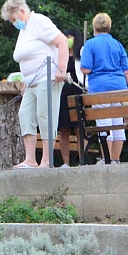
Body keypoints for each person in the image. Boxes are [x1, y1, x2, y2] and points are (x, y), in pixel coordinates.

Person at [1, 0, 68, 168]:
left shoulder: (39, 21)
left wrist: (61, 68)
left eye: (14, 19)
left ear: (22, 11)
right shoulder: (24, 31)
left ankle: (47, 160)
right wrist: (25, 81)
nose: (14, 23)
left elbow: (62, 41)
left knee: (45, 116)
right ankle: (30, 159)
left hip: (47, 77)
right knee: (25, 115)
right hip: (31, 83)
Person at [80, 13, 128, 163]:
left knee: (104, 123)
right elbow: (127, 72)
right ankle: (115, 160)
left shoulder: (90, 44)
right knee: (117, 123)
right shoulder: (117, 44)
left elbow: (85, 69)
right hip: (119, 88)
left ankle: (106, 160)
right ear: (109, 27)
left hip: (100, 89)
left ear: (94, 27)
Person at [53, 31, 87, 166]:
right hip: (62, 93)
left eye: (70, 37)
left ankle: (83, 161)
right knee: (63, 129)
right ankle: (65, 163)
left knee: (80, 129)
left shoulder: (82, 55)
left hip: (78, 92)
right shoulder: (59, 55)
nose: (68, 40)